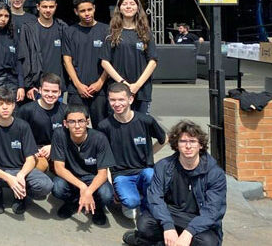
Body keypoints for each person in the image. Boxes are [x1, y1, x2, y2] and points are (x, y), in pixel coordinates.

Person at [123, 120, 226, 246]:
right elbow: (155, 198)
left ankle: (145, 242)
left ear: (200, 145)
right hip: (171, 214)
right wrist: (168, 225)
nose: (188, 146)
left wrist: (189, 232)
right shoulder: (164, 166)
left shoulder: (214, 173)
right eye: (183, 141)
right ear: (176, 145)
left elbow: (213, 211)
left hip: (197, 218)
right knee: (144, 224)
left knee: (208, 242)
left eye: (193, 141)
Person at [0, 87, 51, 215]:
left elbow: (31, 158)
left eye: (8, 103)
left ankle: (21, 195)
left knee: (46, 185)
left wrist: (21, 175)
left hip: (19, 169)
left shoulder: (23, 126)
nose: (5, 107)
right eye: (0, 104)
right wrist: (8, 178)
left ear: (14, 105)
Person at [97, 83, 166, 221]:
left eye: (121, 99)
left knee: (151, 174)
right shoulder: (104, 126)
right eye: (113, 100)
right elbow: (104, 159)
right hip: (121, 175)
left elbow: (164, 139)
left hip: (144, 170)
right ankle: (131, 200)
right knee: (131, 201)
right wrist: (111, 185)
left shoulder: (146, 121)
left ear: (130, 99)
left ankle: (147, 203)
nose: (117, 104)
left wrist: (150, 153)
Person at [51, 104, 116, 226]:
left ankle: (96, 207)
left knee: (107, 194)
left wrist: (89, 191)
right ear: (65, 123)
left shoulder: (99, 138)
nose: (77, 126)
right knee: (57, 187)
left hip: (93, 177)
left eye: (81, 121)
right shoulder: (59, 135)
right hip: (72, 177)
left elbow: (103, 174)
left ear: (87, 122)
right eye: (72, 122)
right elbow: (59, 168)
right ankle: (73, 202)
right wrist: (82, 187)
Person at [101, 0, 159, 114]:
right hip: (117, 90)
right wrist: (123, 83)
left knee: (141, 124)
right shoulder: (111, 32)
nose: (128, 7)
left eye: (132, 4)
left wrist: (137, 85)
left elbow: (152, 61)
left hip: (141, 90)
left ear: (138, 8)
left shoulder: (146, 33)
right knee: (117, 124)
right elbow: (105, 62)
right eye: (125, 4)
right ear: (119, 8)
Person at [62, 0, 110, 127]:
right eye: (82, 11)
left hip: (100, 89)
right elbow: (67, 61)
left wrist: (100, 82)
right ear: (76, 12)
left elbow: (110, 60)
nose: (87, 13)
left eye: (89, 9)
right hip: (76, 90)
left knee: (102, 128)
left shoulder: (106, 30)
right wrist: (78, 85)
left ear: (94, 8)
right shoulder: (69, 32)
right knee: (75, 127)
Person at [19, 0, 67, 100]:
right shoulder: (28, 29)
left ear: (56, 6)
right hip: (36, 87)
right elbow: (24, 59)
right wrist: (29, 85)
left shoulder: (62, 28)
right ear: (38, 7)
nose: (48, 10)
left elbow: (68, 58)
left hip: (57, 87)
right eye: (44, 7)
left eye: (51, 7)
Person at [17, 72, 67, 172]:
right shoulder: (26, 110)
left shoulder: (66, 110)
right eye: (46, 90)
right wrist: (33, 151)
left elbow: (72, 136)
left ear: (59, 92)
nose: (50, 94)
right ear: (40, 90)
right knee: (40, 167)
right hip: (35, 152)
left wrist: (53, 147)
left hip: (58, 150)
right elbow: (18, 136)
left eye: (54, 91)